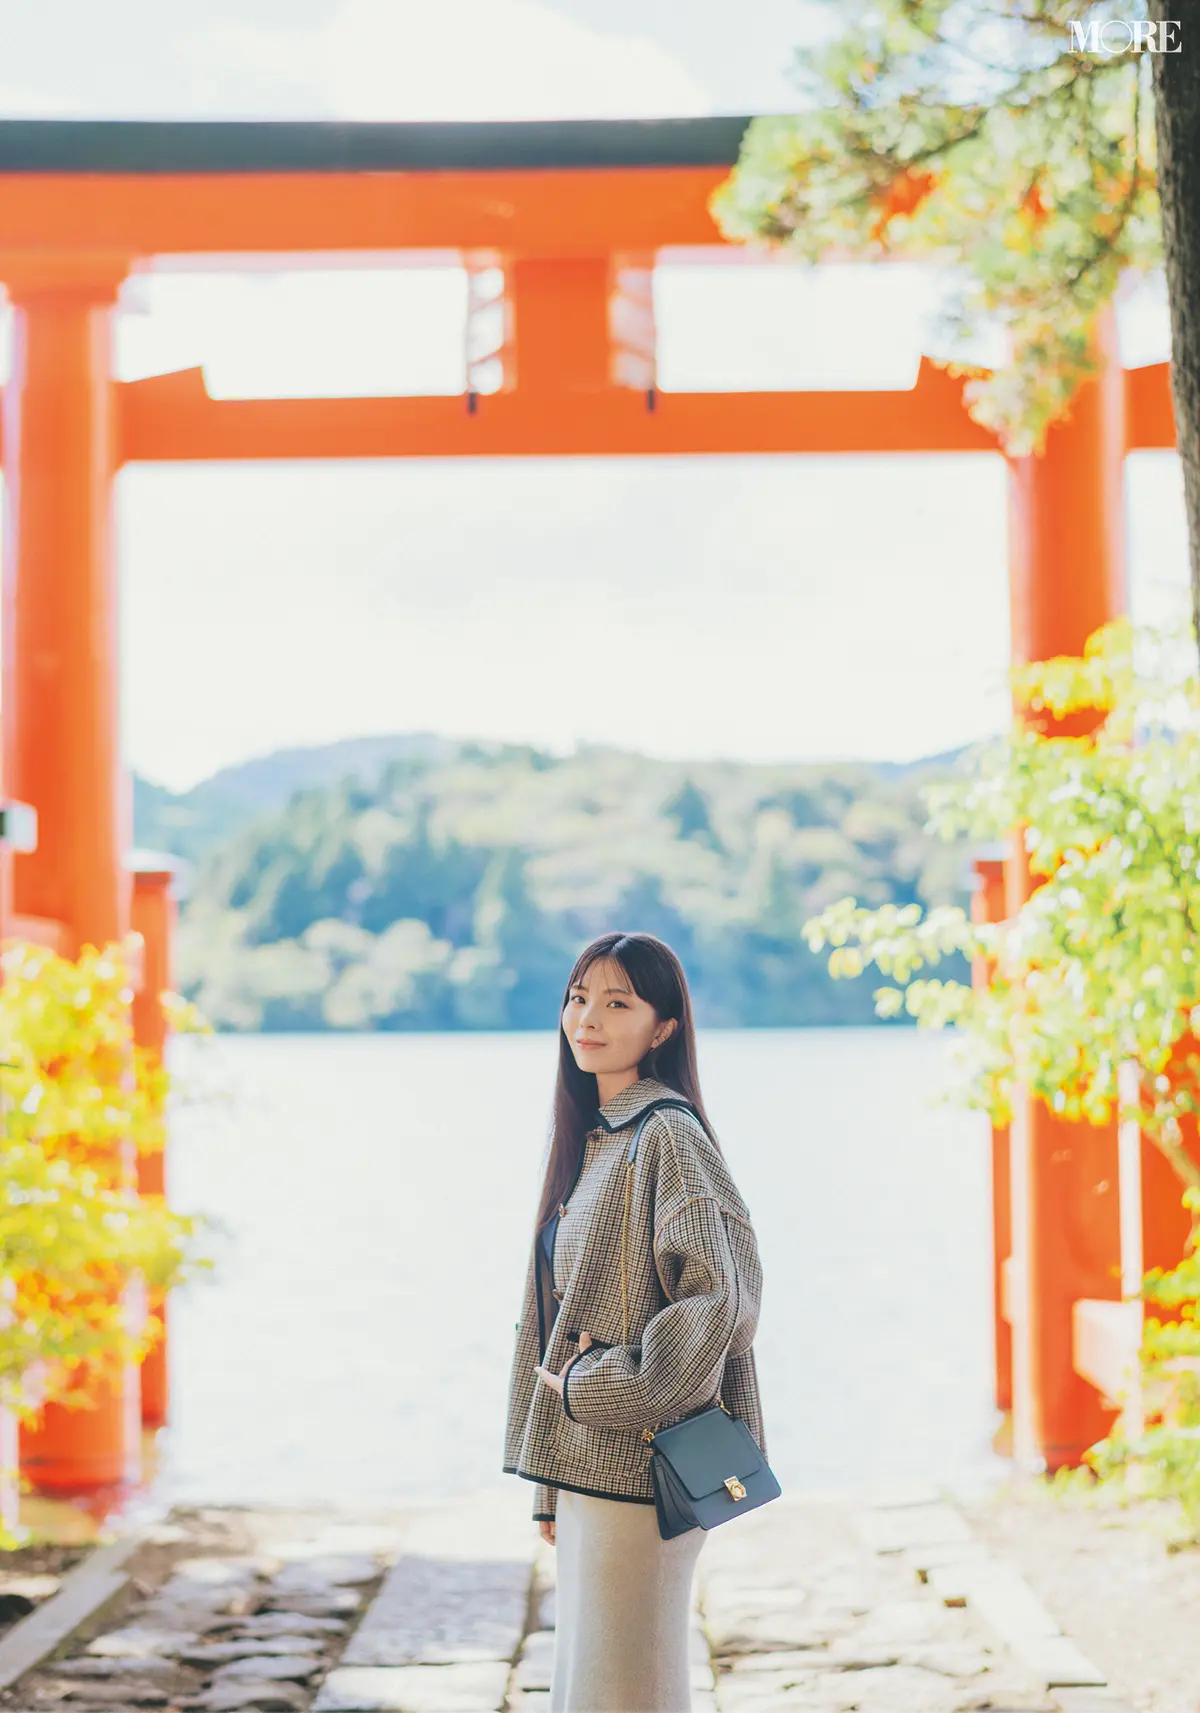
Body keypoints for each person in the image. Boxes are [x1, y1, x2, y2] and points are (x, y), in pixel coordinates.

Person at [502, 930, 767, 1713]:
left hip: (645, 1466)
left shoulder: (667, 1136)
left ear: (663, 1028)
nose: (588, 1016)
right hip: (590, 1463)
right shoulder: (597, 1138)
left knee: (627, 1693)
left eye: (618, 1002)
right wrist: (548, 1478)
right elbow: (556, 1315)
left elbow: (720, 1299)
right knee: (589, 1689)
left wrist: (600, 1384)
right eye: (578, 996)